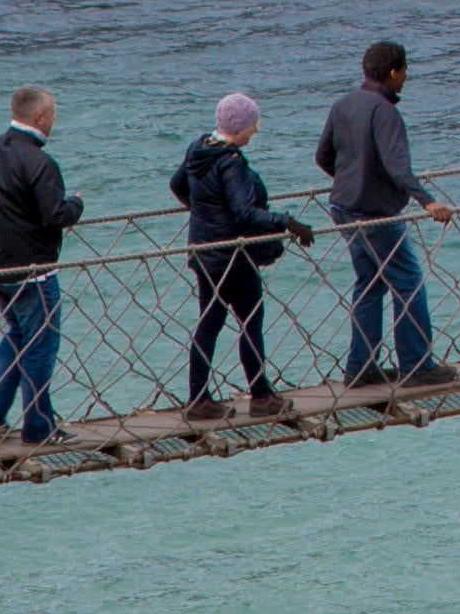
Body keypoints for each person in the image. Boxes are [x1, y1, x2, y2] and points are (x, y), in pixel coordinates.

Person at [0, 84, 83, 442]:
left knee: (18, 334)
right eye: (52, 113)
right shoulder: (41, 163)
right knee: (40, 346)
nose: (54, 120)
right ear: (40, 117)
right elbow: (55, 215)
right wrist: (77, 206)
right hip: (34, 273)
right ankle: (39, 427)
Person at [167, 92, 315, 417]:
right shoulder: (230, 162)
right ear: (241, 127)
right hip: (234, 255)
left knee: (209, 323)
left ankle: (198, 399)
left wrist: (203, 214)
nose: (255, 131)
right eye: (253, 125)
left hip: (205, 253)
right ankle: (261, 397)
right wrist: (288, 222)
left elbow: (177, 184)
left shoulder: (199, 147)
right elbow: (245, 213)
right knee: (250, 323)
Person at [323, 42, 445, 383]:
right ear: (393, 72)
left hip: (342, 207)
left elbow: (323, 156)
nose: (406, 78)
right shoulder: (385, 112)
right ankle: (417, 366)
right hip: (375, 214)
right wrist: (427, 201)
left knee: (369, 283)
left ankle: (361, 368)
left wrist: (351, 178)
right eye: (404, 71)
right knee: (408, 283)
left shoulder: (343, 104)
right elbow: (398, 169)